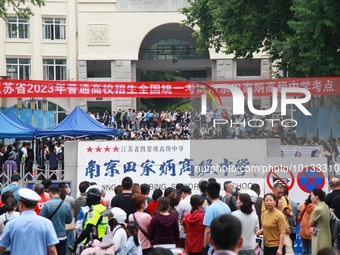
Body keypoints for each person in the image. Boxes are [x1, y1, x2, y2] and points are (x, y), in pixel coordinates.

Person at [0, 188, 59, 255]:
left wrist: (2, 233)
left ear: (21, 204)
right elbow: (52, 250)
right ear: (35, 205)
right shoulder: (46, 223)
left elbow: (1, 247)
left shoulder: (11, 224)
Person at [68, 187, 108, 253]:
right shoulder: (102, 208)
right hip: (101, 240)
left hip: (92, 242)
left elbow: (89, 228)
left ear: (91, 198)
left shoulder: (94, 211)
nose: (86, 199)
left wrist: (75, 242)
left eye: (87, 197)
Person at [40, 185, 73, 255]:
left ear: (50, 193)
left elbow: (42, 220)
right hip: (62, 236)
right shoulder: (66, 205)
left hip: (49, 236)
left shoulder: (47, 205)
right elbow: (69, 220)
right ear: (59, 193)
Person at [203, 182, 231, 255]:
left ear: (207, 194)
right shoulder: (226, 207)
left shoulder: (210, 209)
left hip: (214, 246)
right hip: (226, 244)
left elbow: (208, 230)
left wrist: (205, 246)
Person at [309, 188, 331, 255]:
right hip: (327, 233)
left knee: (318, 251)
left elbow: (310, 223)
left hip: (319, 235)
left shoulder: (318, 209)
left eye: (311, 195)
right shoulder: (325, 206)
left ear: (317, 196)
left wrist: (312, 226)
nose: (310, 198)